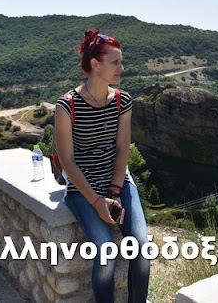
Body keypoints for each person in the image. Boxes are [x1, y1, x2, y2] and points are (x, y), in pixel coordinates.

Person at [54, 29, 150, 303]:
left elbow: (122, 149)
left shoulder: (122, 101)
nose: (122, 67)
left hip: (118, 182)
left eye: (121, 61)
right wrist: (97, 202)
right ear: (96, 64)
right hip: (83, 187)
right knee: (106, 252)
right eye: (115, 62)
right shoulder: (67, 106)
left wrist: (115, 192)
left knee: (141, 248)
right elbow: (68, 161)